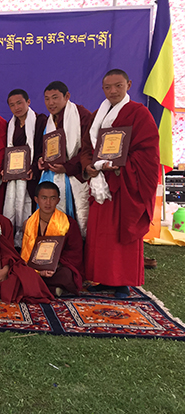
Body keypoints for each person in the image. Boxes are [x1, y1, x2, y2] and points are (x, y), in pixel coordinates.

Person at [80, 69, 159, 298]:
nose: (113, 91)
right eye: (108, 87)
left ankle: (122, 281)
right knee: (99, 235)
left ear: (128, 85)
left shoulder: (139, 113)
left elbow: (147, 152)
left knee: (119, 233)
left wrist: (120, 166)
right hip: (100, 185)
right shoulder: (98, 115)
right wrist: (89, 166)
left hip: (122, 184)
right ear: (102, 89)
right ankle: (103, 278)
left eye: (118, 86)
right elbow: (87, 148)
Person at [38, 81, 92, 237]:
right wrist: (43, 159)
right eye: (47, 99)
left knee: (75, 215)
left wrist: (67, 167)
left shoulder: (82, 115)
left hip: (73, 175)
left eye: (55, 98)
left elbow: (88, 148)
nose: (51, 103)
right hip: (53, 174)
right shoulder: (50, 121)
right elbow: (50, 148)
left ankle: (74, 247)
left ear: (67, 96)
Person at [20, 182, 84, 296]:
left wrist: (55, 265)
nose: (48, 203)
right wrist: (39, 269)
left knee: (66, 274)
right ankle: (52, 289)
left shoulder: (68, 223)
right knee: (19, 271)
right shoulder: (29, 223)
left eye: (52, 198)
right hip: (34, 266)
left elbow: (75, 252)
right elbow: (26, 252)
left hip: (56, 268)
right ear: (36, 199)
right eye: (44, 198)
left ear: (58, 200)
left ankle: (38, 286)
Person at [3, 89, 48, 246]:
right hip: (15, 177)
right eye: (12, 105)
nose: (16, 108)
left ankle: (29, 243)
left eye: (19, 103)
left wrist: (34, 168)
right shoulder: (10, 125)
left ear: (28, 102)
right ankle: (13, 244)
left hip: (32, 175)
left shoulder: (41, 120)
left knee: (29, 208)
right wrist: (6, 169)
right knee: (12, 208)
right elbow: (8, 150)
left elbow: (45, 147)